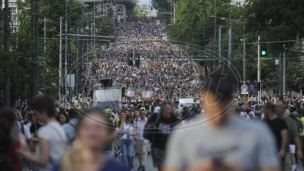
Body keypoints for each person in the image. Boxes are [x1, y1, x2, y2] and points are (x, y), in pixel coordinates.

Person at [163, 68, 280, 171]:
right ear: (203, 99)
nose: (218, 116)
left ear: (231, 101)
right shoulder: (184, 133)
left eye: (224, 109)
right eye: (213, 107)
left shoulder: (257, 133)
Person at [52, 108, 128, 171]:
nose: (92, 131)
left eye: (98, 127)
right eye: (86, 127)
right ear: (78, 132)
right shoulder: (62, 167)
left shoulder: (119, 169)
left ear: (107, 133)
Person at [17, 95, 67, 171]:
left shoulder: (45, 131)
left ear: (43, 112)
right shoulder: (58, 127)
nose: (36, 117)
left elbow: (43, 161)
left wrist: (24, 153)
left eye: (36, 113)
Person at [144, 102, 179, 170]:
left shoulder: (173, 118)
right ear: (163, 109)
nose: (169, 111)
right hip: (157, 148)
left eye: (170, 109)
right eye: (167, 109)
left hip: (169, 148)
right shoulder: (156, 117)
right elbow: (147, 128)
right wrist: (151, 127)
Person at [276, 100, 302, 171]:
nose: (276, 108)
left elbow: (296, 136)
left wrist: (299, 150)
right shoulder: (273, 119)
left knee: (286, 167)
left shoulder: (290, 121)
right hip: (273, 151)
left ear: (283, 109)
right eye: (276, 106)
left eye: (278, 107)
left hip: (286, 151)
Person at [263, 102, 288, 168]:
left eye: (264, 108)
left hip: (277, 151)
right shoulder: (264, 122)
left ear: (268, 109)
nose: (263, 110)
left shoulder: (281, 122)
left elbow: (284, 137)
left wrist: (282, 150)